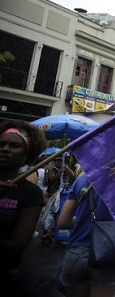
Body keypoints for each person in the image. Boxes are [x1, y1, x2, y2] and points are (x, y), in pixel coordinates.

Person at [57, 168, 115, 297]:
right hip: (107, 256)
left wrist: (85, 221)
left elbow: (63, 222)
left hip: (76, 255)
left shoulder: (81, 180)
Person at [0, 120, 48, 294]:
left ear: (26, 154)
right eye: (2, 144)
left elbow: (17, 245)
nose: (5, 149)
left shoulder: (31, 193)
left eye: (14, 146)